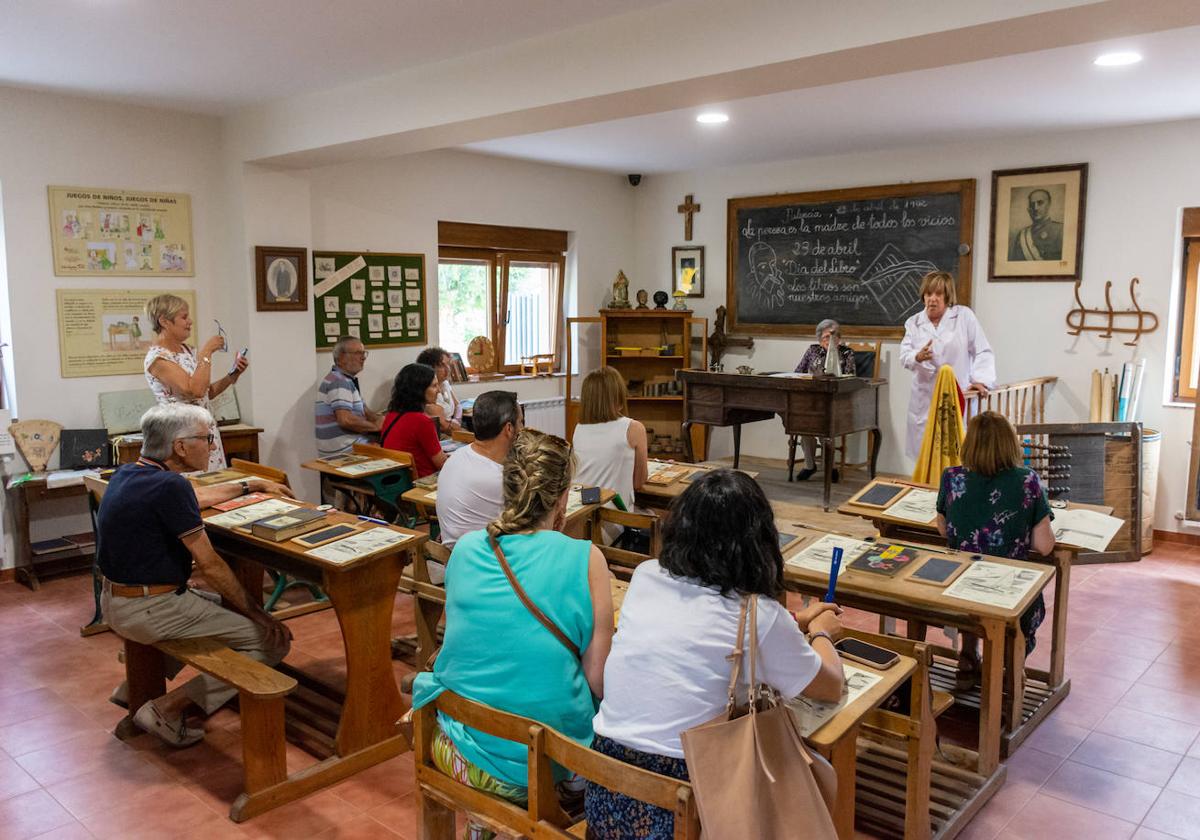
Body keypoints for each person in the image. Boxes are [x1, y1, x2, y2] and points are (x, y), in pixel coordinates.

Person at [585, 469, 845, 838]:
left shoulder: (646, 575)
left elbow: (699, 625)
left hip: (606, 791)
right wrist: (822, 633)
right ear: (758, 540)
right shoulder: (758, 614)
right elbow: (829, 685)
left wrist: (792, 621)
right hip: (687, 801)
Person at [412, 429, 614, 840]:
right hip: (536, 763)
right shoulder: (585, 558)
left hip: (455, 743)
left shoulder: (467, 549)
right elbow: (598, 679)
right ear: (563, 499)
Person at [99, 403, 293, 747]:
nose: (213, 446)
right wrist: (257, 613)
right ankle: (167, 709)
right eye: (207, 438)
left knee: (221, 605)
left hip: (117, 601)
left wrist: (250, 484)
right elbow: (211, 565)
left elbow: (196, 496)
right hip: (150, 608)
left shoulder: (131, 473)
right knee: (271, 641)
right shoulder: (169, 487)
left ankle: (136, 686)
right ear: (180, 446)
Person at [936, 411, 1055, 688]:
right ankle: (1011, 669)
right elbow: (1044, 546)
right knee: (1018, 592)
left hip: (959, 583)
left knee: (971, 576)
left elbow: (943, 527)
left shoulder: (952, 477)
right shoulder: (1027, 481)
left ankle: (967, 656)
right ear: (1010, 444)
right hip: (1007, 586)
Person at [899, 272, 996, 461]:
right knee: (926, 455)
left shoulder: (964, 316)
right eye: (928, 294)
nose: (932, 300)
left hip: (958, 392)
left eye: (938, 294)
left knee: (958, 451)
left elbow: (982, 350)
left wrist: (981, 380)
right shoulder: (914, 322)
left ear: (947, 296)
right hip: (925, 396)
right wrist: (917, 357)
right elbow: (904, 355)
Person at [144, 294, 246, 472]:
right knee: (195, 490)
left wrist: (232, 375)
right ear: (164, 321)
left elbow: (206, 393)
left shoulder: (187, 350)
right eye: (184, 317)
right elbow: (194, 391)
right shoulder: (158, 358)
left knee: (215, 484)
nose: (190, 322)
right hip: (183, 438)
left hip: (204, 433)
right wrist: (207, 351)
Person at [435, 390, 523, 550]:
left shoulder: (455, 458)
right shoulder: (498, 478)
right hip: (485, 564)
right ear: (509, 429)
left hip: (454, 558)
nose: (522, 428)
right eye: (520, 422)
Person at [573, 367, 648, 521]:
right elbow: (639, 482)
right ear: (618, 399)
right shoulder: (633, 428)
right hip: (611, 519)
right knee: (660, 516)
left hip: (581, 516)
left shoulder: (579, 428)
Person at [792, 318, 857, 481]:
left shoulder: (847, 353)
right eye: (826, 337)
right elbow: (797, 372)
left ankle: (831, 467)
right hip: (812, 400)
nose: (829, 340)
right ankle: (809, 465)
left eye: (833, 336)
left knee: (825, 428)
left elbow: (851, 378)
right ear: (819, 339)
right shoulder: (812, 351)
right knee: (803, 427)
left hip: (836, 401)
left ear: (839, 338)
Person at [315, 335, 381, 457]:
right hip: (345, 452)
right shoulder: (339, 382)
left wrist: (382, 419)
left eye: (364, 353)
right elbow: (345, 420)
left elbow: (365, 411)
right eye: (357, 353)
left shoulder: (344, 379)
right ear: (340, 358)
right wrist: (376, 426)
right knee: (399, 447)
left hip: (345, 448)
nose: (363, 358)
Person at [380, 363, 447, 477]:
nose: (439, 390)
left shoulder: (391, 415)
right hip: (424, 481)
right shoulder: (421, 422)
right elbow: (443, 465)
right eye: (434, 386)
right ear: (419, 390)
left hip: (401, 479)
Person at [1009, 188, 1064, 261]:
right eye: (1032, 204)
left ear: (1049, 204)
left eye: (1040, 203)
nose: (1035, 208)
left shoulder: (1060, 230)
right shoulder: (1021, 235)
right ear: (1028, 209)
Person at [417, 346, 462, 433]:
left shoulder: (445, 383)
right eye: (442, 366)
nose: (448, 369)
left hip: (454, 425)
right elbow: (444, 427)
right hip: (442, 433)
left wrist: (457, 419)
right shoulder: (427, 391)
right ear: (430, 368)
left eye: (448, 364)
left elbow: (458, 405)